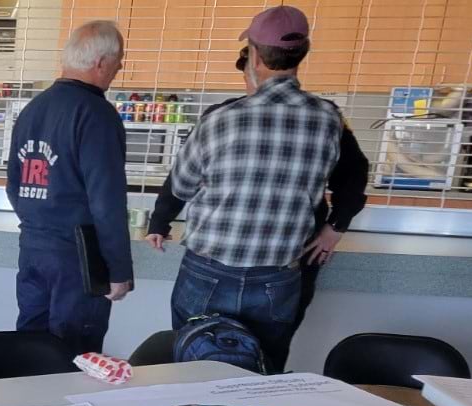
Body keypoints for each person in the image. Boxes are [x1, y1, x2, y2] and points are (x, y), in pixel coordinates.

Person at [146, 45, 368, 347]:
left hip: (235, 265)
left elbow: (182, 179)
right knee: (265, 359)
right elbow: (356, 172)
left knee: (195, 352)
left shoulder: (221, 117)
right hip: (281, 269)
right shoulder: (325, 115)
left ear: (255, 65)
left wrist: (336, 225)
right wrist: (160, 220)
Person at [165, 5, 344, 372]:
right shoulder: (327, 118)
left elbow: (181, 185)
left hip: (209, 271)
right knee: (264, 374)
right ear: (302, 54)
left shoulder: (221, 119)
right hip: (277, 276)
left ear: (256, 58)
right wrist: (334, 225)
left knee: (191, 371)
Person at [5, 20, 135, 356]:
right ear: (101, 63)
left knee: (31, 348)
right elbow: (106, 200)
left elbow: (14, 184)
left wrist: (40, 223)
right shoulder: (96, 114)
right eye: (119, 60)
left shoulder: (33, 109)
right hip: (78, 258)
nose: (120, 67)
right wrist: (118, 269)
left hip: (33, 247)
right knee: (76, 353)